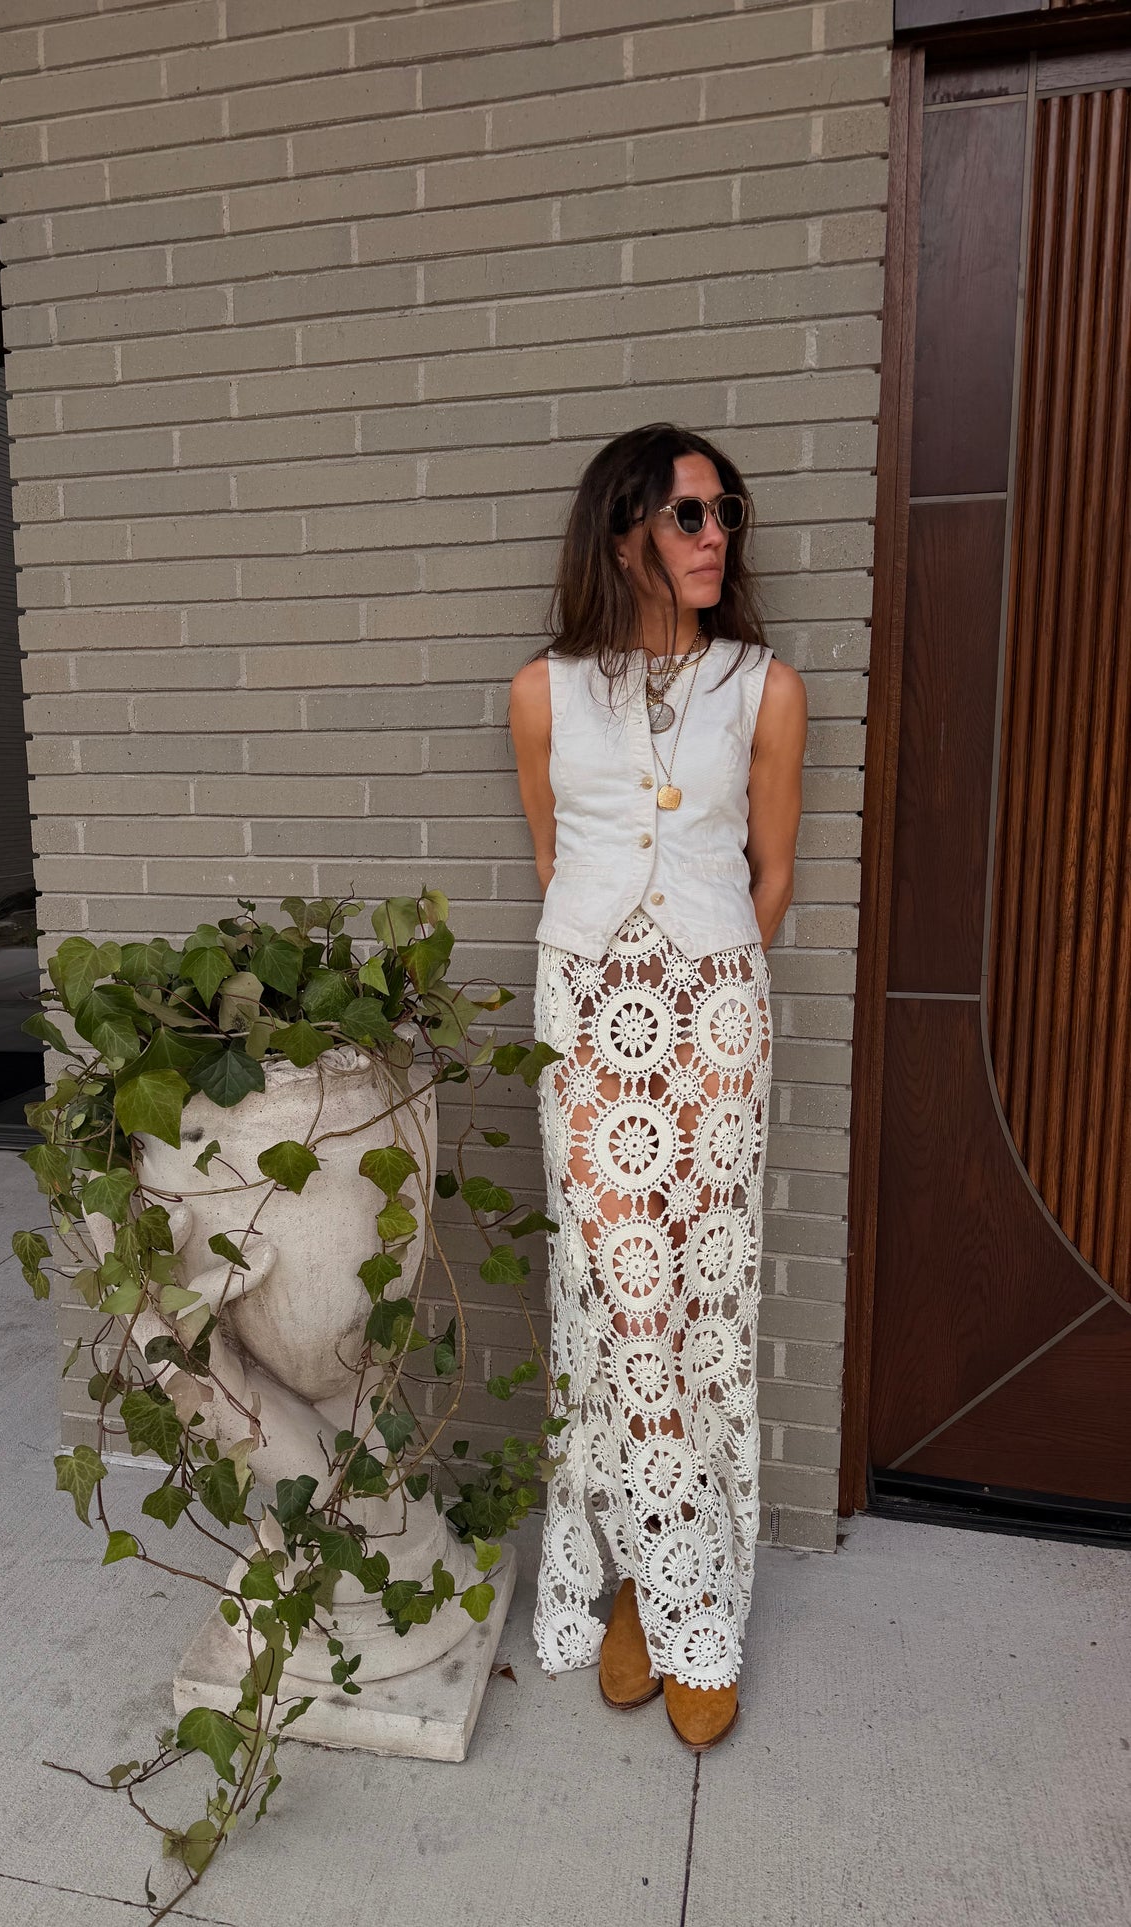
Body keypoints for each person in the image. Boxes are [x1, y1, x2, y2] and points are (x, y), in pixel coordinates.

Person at [508, 422, 807, 1751]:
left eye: (722, 514)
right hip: (589, 1012)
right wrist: (611, 982)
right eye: (689, 515)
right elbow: (550, 855)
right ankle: (644, 1573)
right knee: (616, 1295)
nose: (713, 538)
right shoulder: (541, 691)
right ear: (621, 527)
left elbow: (773, 872)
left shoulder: (765, 685)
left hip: (714, 1017)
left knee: (694, 1300)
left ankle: (681, 1589)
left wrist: (706, 991)